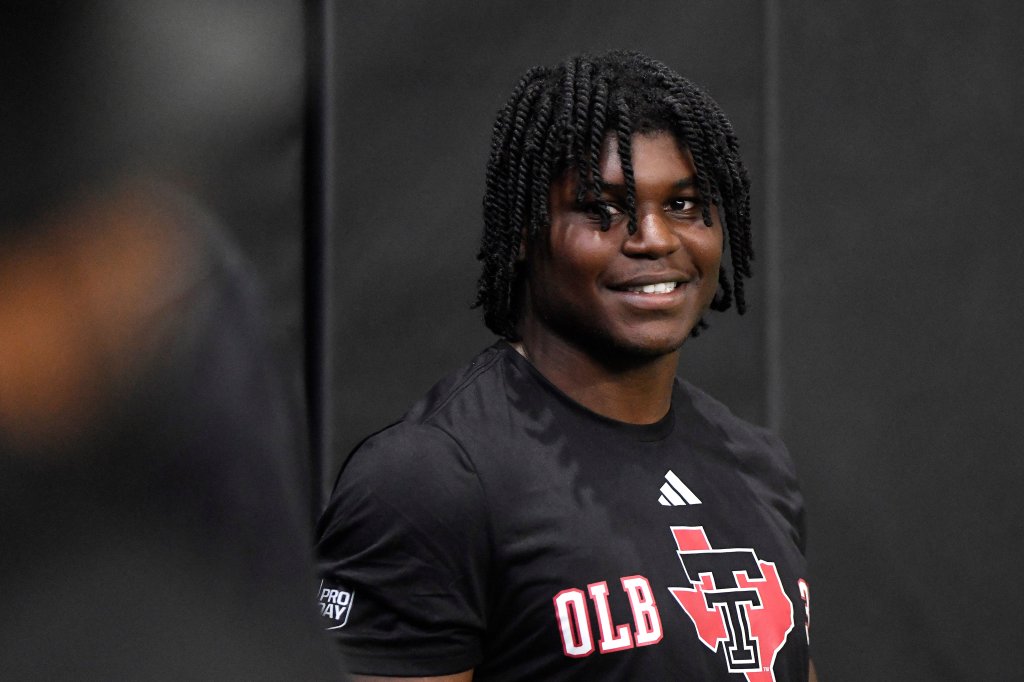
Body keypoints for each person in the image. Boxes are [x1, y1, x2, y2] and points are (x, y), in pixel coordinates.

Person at [317, 50, 814, 681]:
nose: (654, 238)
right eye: (603, 209)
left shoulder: (758, 466)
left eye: (685, 205)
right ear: (525, 230)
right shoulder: (429, 479)